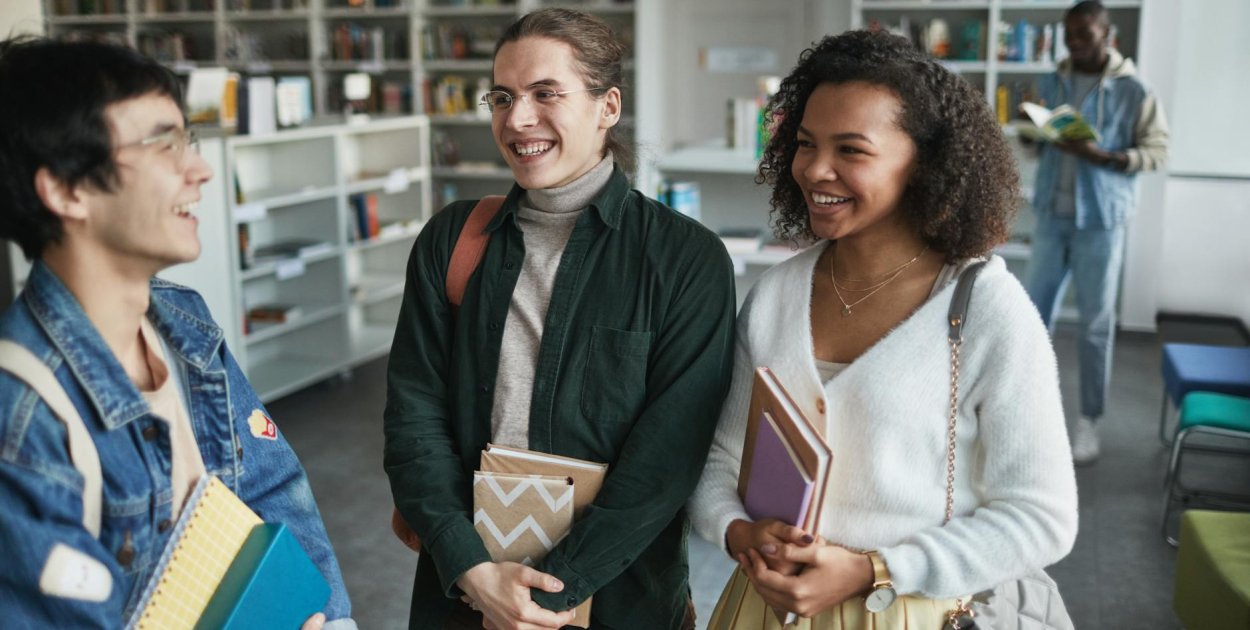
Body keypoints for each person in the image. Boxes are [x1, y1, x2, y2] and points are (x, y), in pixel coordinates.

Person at [687, 30, 1078, 625]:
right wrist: (740, 532)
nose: (816, 169)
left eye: (851, 149)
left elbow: (1042, 518)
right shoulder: (775, 296)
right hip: (764, 610)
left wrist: (874, 567)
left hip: (910, 609)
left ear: (923, 163)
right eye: (805, 143)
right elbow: (721, 457)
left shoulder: (986, 309)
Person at [383, 8, 735, 630]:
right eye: (502, 96)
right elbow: (414, 415)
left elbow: (666, 461)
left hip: (619, 597)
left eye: (546, 93)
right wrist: (472, 570)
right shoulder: (452, 240)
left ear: (608, 106)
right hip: (463, 592)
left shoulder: (685, 258)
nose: (517, 119)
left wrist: (544, 596)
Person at [0, 38, 354, 628]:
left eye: (186, 138)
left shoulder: (183, 322)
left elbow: (273, 491)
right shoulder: (23, 416)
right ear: (65, 189)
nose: (201, 168)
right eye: (162, 143)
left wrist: (333, 621)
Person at [1024, 0, 1168, 465]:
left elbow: (1156, 151)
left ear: (1109, 36)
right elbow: (1037, 140)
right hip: (1051, 215)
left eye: (1084, 34)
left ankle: (1089, 421)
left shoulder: (1136, 89)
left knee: (1094, 327)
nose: (1074, 43)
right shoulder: (1055, 78)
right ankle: (1027, 415)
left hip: (1102, 223)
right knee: (1031, 322)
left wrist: (1104, 156)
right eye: (1069, 34)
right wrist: (1032, 133)